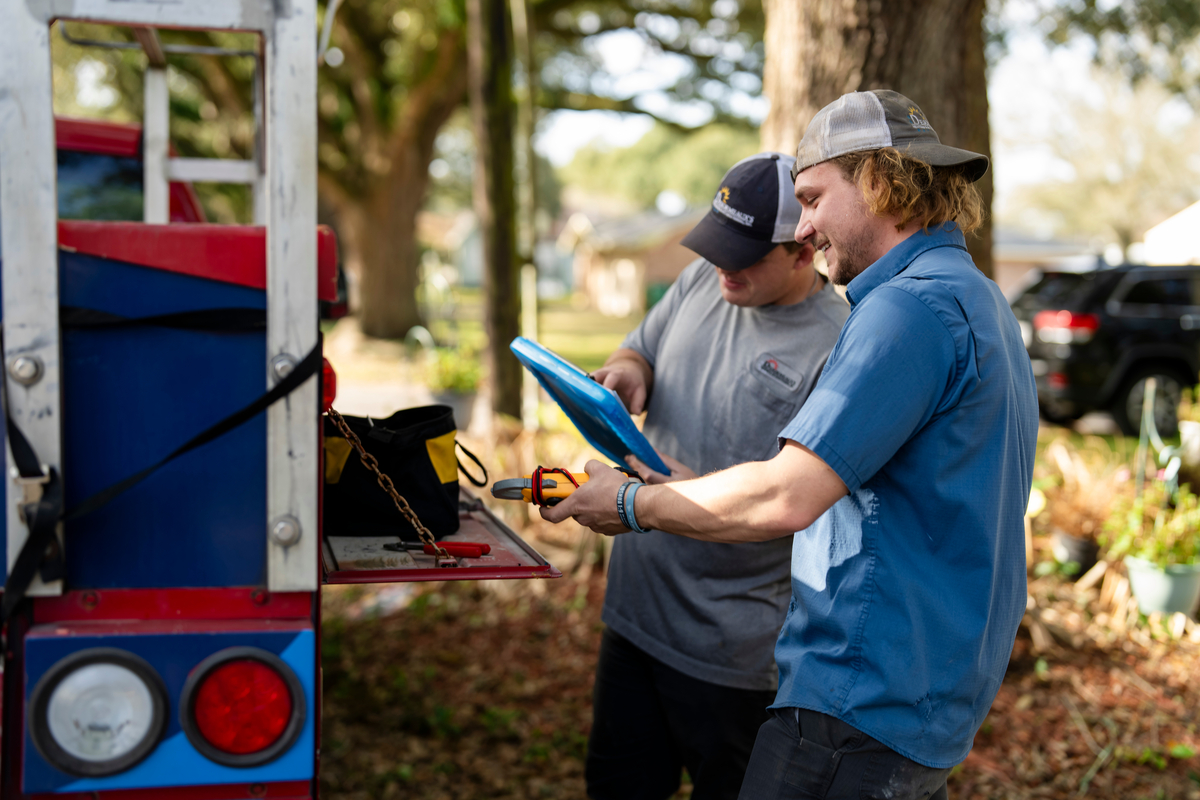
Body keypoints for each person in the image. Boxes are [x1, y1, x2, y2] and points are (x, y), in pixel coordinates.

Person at [546, 90, 1038, 800]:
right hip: (920, 698)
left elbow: (786, 494)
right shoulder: (976, 296)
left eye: (812, 197)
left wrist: (630, 502)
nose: (804, 226)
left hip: (856, 705)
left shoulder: (905, 310)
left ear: (879, 178)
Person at [585, 152, 850, 800]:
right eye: (718, 245)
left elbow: (797, 501)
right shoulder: (705, 279)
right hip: (635, 618)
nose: (724, 266)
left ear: (801, 249)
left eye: (744, 255)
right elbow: (638, 347)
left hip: (731, 652)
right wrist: (630, 372)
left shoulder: (840, 345)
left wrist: (671, 491)